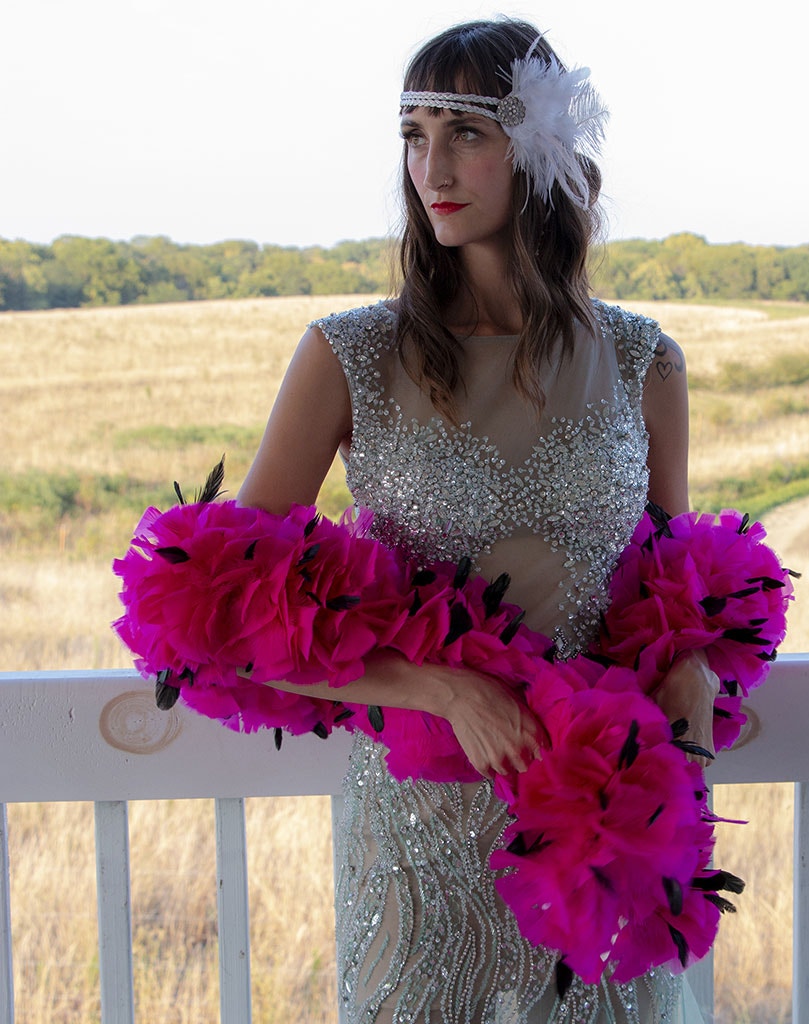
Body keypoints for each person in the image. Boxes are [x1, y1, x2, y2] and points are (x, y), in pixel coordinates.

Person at [236, 17, 717, 1023]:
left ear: (537, 150)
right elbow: (228, 622)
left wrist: (693, 671)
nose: (430, 165)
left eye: (463, 130)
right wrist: (442, 688)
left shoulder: (644, 361)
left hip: (600, 830)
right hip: (418, 836)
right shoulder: (349, 354)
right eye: (412, 134)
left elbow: (674, 589)